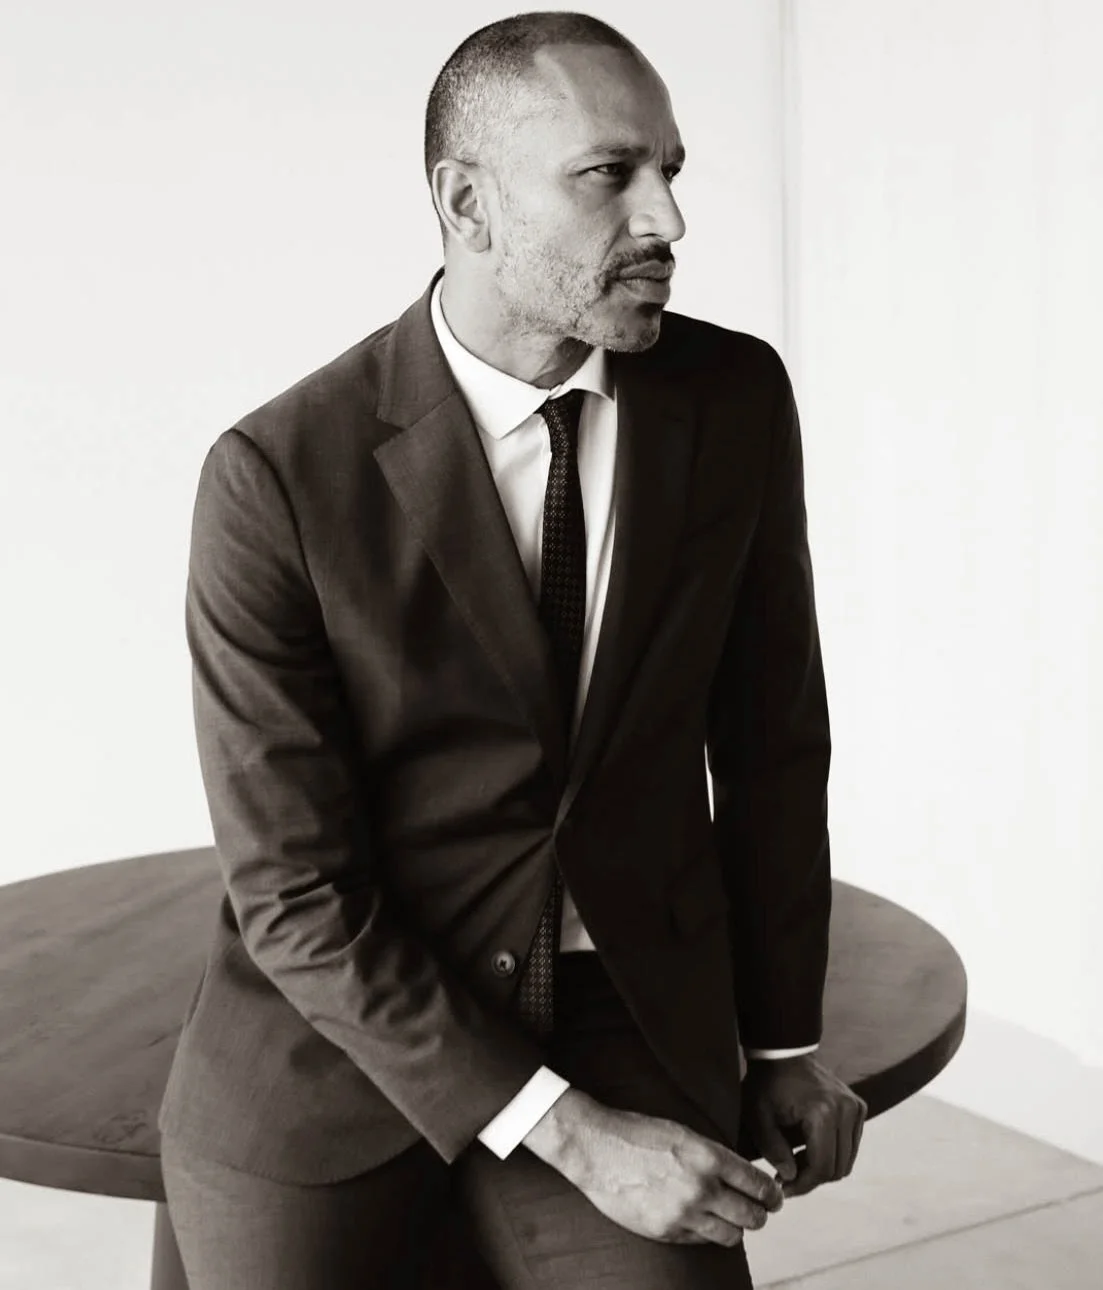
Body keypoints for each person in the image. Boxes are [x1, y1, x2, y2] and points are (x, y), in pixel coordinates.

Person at [157, 10, 866, 1289]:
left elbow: (771, 745)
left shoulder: (731, 401)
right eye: (608, 174)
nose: (665, 218)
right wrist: (573, 1136)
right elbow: (294, 893)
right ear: (467, 203)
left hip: (620, 1004)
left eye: (669, 171)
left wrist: (779, 1044)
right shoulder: (277, 476)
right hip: (345, 1040)